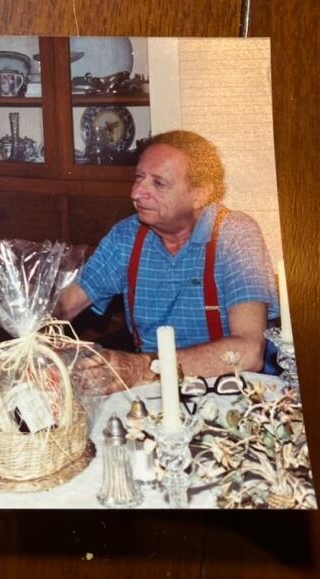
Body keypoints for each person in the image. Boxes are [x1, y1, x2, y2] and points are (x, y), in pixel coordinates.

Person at [57, 130, 279, 394]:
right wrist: (25, 320)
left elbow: (249, 351)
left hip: (226, 388)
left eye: (158, 183)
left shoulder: (234, 235)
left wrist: (139, 368)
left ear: (200, 195)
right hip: (153, 387)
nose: (137, 193)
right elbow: (63, 307)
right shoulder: (126, 236)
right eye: (139, 178)